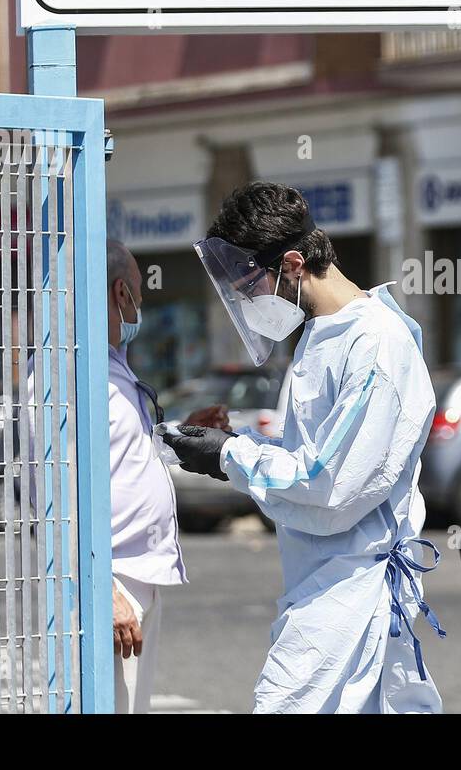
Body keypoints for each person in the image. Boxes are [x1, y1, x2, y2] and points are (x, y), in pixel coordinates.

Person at [163, 182, 442, 714]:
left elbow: (330, 482)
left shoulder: (375, 343)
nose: (249, 300)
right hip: (324, 582)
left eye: (252, 284)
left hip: (351, 589)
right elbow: (313, 452)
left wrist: (230, 456)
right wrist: (238, 445)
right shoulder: (322, 332)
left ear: (292, 263)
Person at [104, 239, 230, 713]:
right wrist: (102, 589)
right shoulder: (65, 375)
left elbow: (125, 454)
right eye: (139, 290)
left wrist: (181, 432)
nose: (143, 300)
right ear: (122, 293)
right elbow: (50, 496)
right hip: (112, 582)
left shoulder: (113, 367)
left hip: (138, 578)